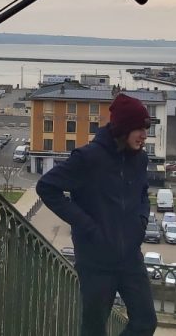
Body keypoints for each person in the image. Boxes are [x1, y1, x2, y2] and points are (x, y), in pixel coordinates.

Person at [36, 93, 157, 336]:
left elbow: (143, 193)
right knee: (94, 329)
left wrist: (141, 221)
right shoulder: (88, 158)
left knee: (146, 322)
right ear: (123, 129)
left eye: (146, 129)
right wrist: (87, 226)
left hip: (130, 258)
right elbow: (47, 187)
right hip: (95, 261)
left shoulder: (140, 159)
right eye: (139, 129)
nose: (144, 135)